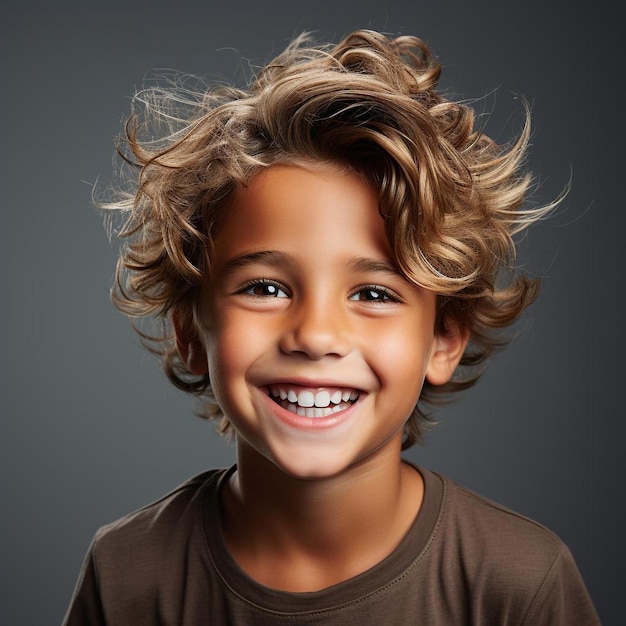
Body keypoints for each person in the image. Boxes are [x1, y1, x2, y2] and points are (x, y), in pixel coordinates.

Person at [63, 30, 599, 624]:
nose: (316, 336)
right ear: (191, 332)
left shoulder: (519, 582)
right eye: (265, 288)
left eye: (373, 293)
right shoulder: (127, 573)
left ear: (443, 340)